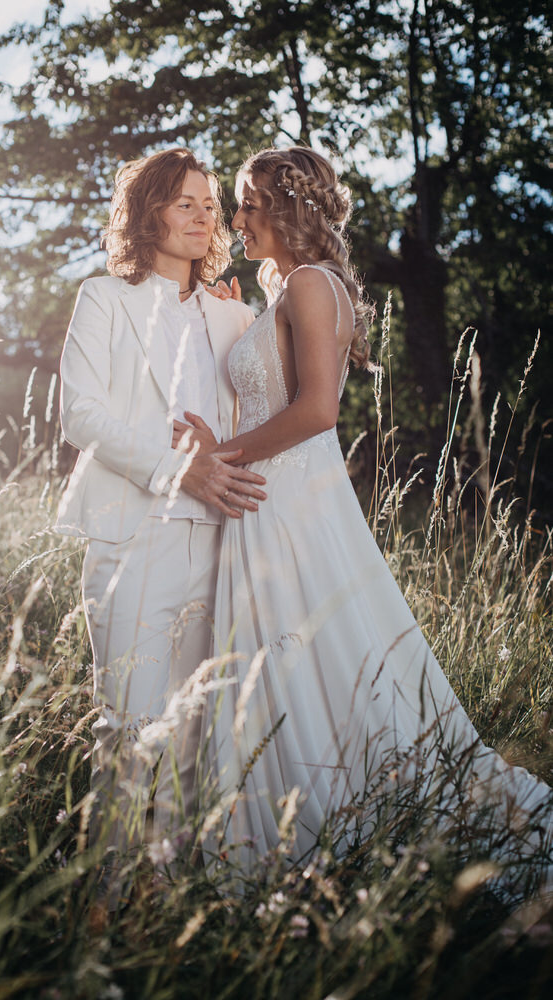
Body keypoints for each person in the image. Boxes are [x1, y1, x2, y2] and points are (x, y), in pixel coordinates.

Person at [172, 146, 552, 882]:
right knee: (302, 660)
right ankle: (297, 818)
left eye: (248, 204)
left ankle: (331, 825)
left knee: (314, 656)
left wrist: (218, 459)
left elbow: (315, 411)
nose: (237, 218)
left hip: (284, 503)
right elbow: (276, 383)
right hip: (276, 500)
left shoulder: (311, 285)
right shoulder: (294, 289)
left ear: (287, 209)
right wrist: (233, 315)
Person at [55, 147, 267, 892]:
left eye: (211, 203)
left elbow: (267, 411)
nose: (206, 215)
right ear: (147, 213)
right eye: (186, 202)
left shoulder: (238, 314)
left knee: (192, 732)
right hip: (129, 533)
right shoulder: (104, 299)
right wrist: (179, 467)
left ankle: (168, 890)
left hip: (220, 541)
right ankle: (102, 891)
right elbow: (78, 412)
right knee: (126, 725)